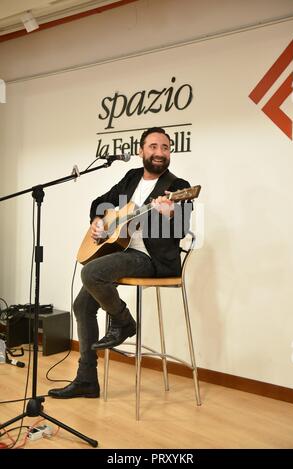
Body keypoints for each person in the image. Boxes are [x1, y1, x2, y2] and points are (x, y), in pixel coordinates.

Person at [48, 127, 192, 399]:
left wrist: (171, 213)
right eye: (153, 147)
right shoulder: (131, 177)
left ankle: (123, 322)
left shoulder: (178, 186)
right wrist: (99, 220)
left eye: (165, 147)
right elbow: (101, 203)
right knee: (82, 305)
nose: (160, 153)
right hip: (123, 253)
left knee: (92, 272)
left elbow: (182, 229)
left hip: (151, 260)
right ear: (141, 151)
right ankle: (87, 380)